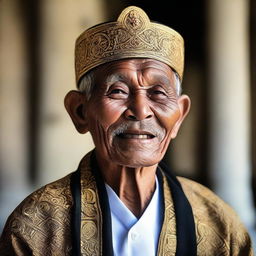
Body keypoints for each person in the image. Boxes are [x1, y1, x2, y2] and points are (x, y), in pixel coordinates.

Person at [0, 5, 253, 256]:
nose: (140, 110)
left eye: (158, 92)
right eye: (118, 91)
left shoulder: (220, 225)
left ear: (179, 116)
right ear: (80, 111)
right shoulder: (34, 226)